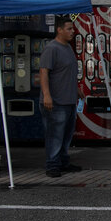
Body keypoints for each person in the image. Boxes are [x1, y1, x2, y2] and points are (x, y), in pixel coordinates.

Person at [40, 15, 83, 178]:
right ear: (59, 30)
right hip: (56, 101)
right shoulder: (52, 48)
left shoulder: (68, 48)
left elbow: (67, 73)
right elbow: (44, 72)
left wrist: (77, 89)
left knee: (66, 134)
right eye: (69, 29)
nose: (72, 31)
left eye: (73, 28)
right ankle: (52, 165)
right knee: (55, 135)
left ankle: (63, 162)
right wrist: (47, 95)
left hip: (69, 99)